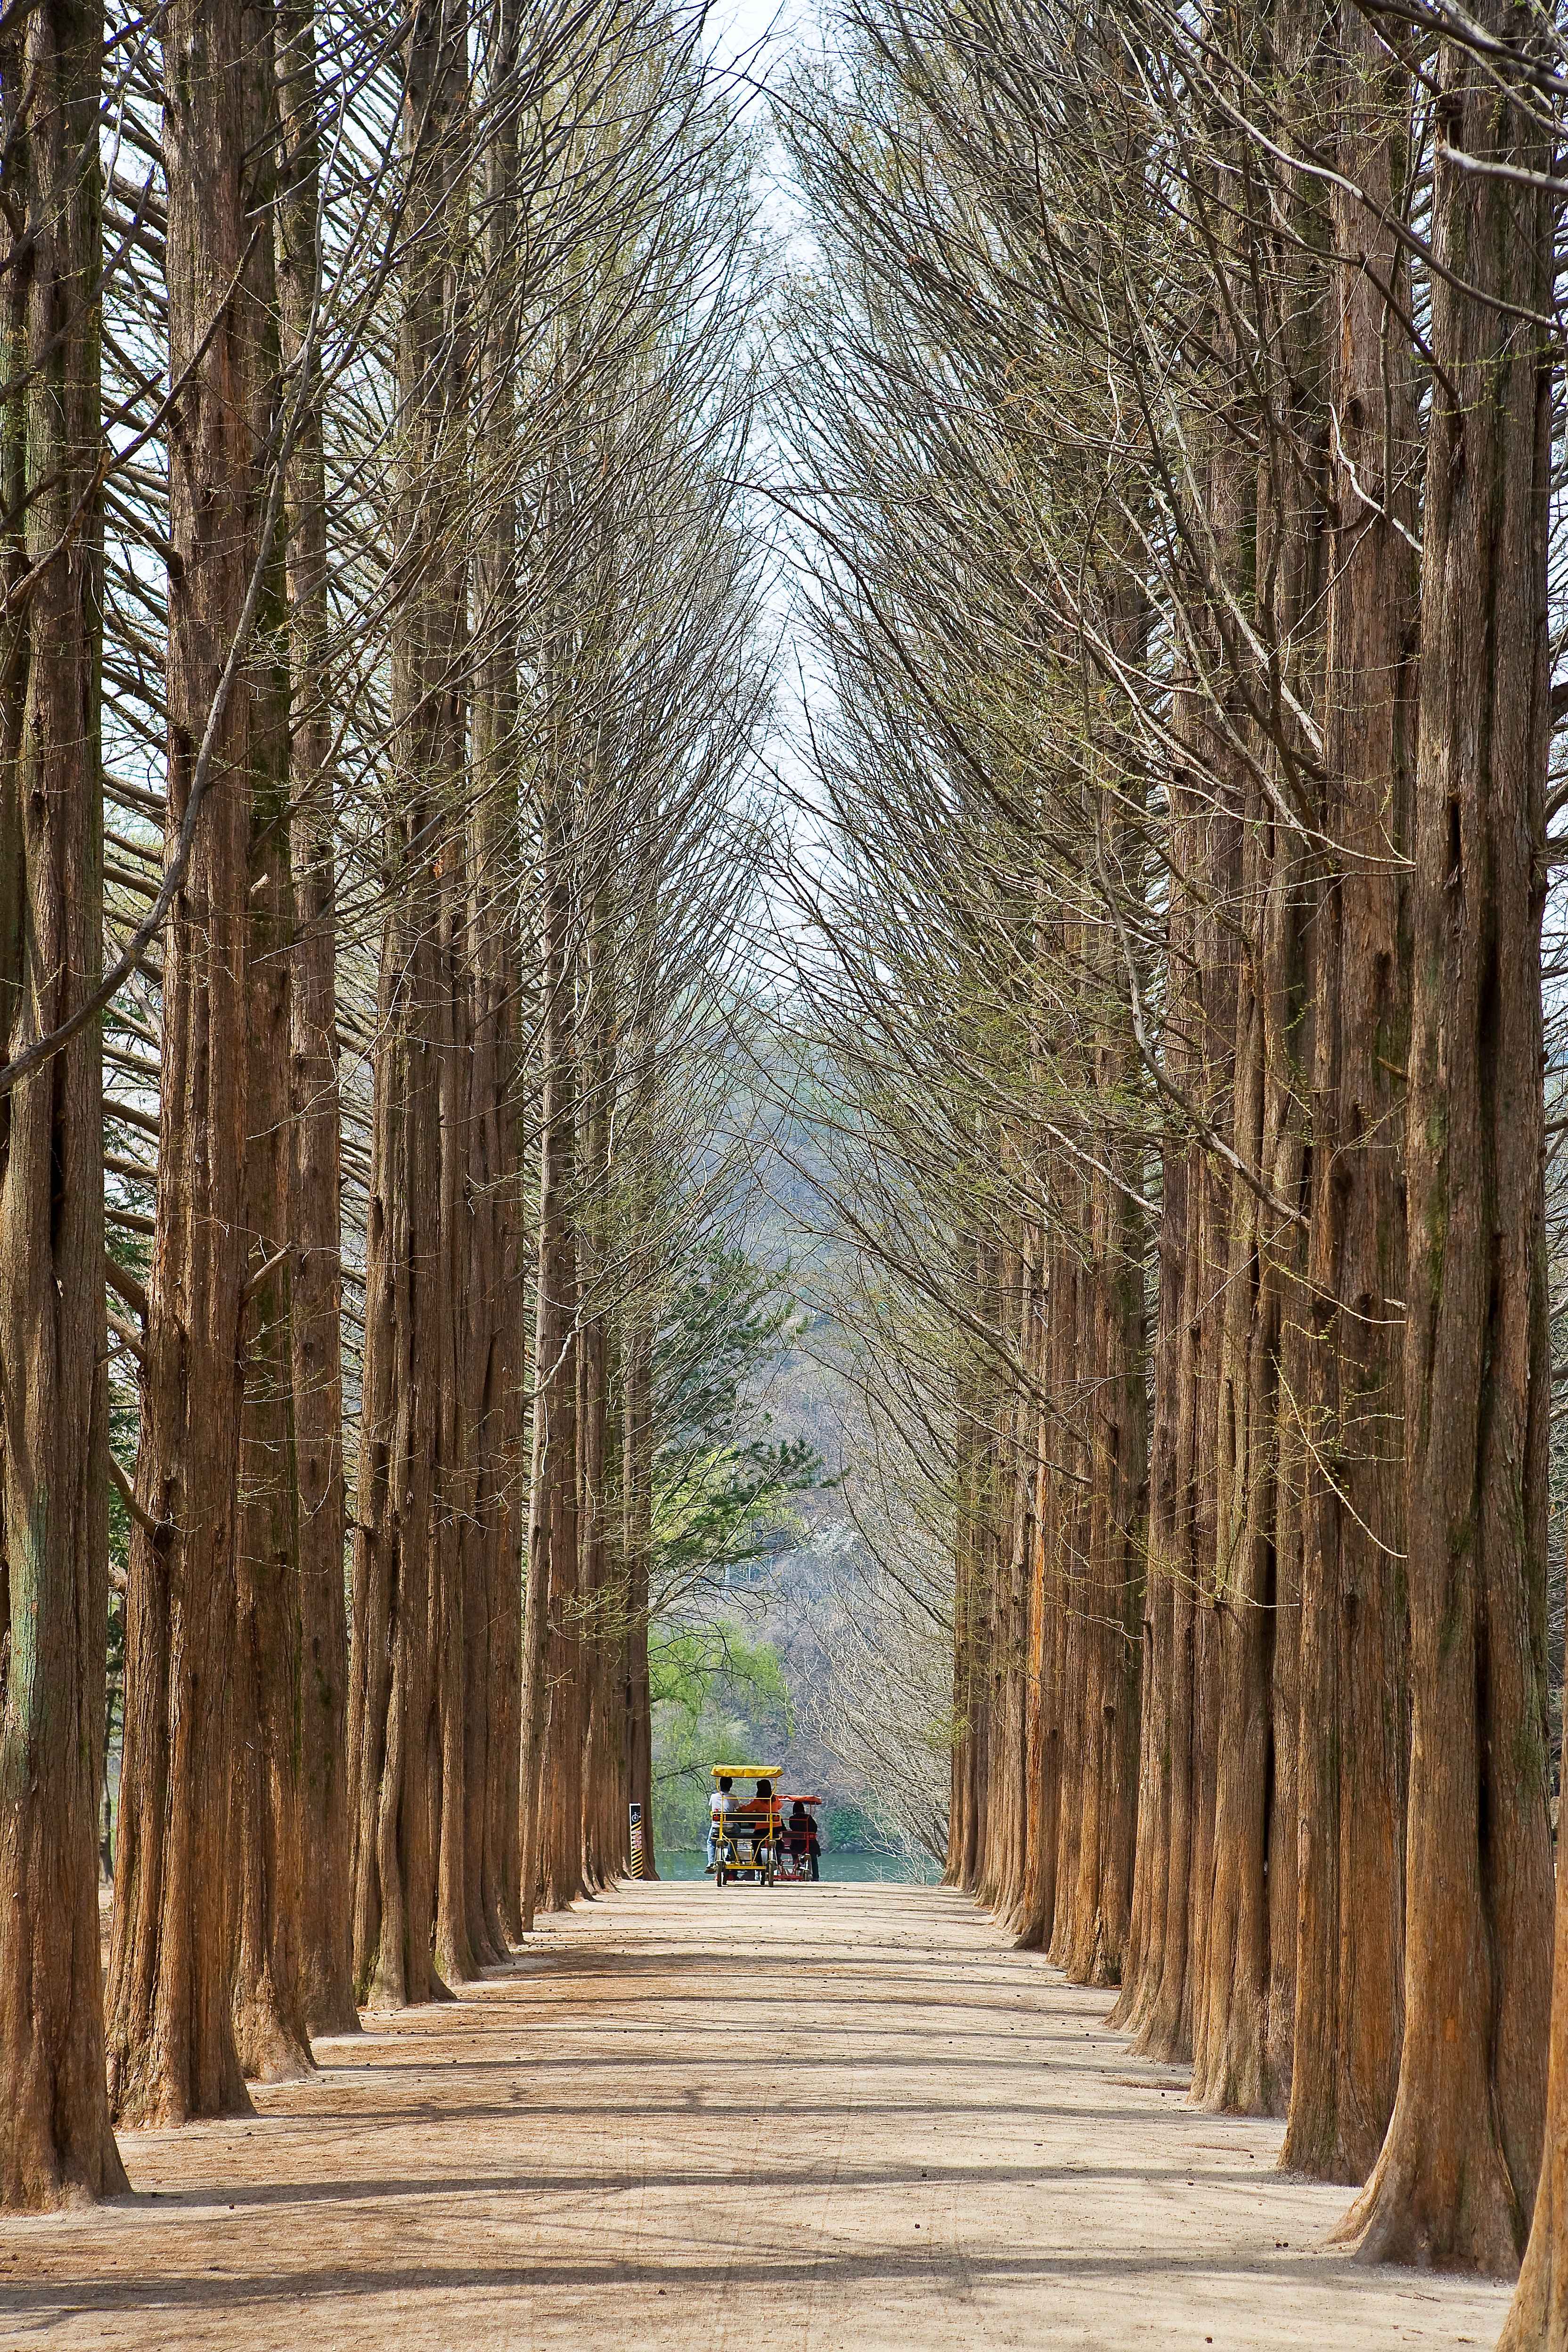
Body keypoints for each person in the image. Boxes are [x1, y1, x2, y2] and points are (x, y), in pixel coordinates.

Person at [786, 1800, 820, 1881]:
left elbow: (792, 1828)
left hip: (797, 1845)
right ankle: (816, 1876)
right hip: (810, 1845)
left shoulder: (792, 1819)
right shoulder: (808, 1817)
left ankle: (797, 1862)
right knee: (814, 1858)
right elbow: (815, 1828)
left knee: (793, 1848)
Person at [706, 1776, 733, 1873]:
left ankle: (711, 1863)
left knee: (711, 1842)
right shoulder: (733, 1797)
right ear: (731, 1786)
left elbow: (712, 1806)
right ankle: (731, 1855)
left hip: (717, 1827)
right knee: (735, 1837)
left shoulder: (713, 1797)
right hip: (730, 1827)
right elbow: (740, 1810)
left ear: (720, 1785)